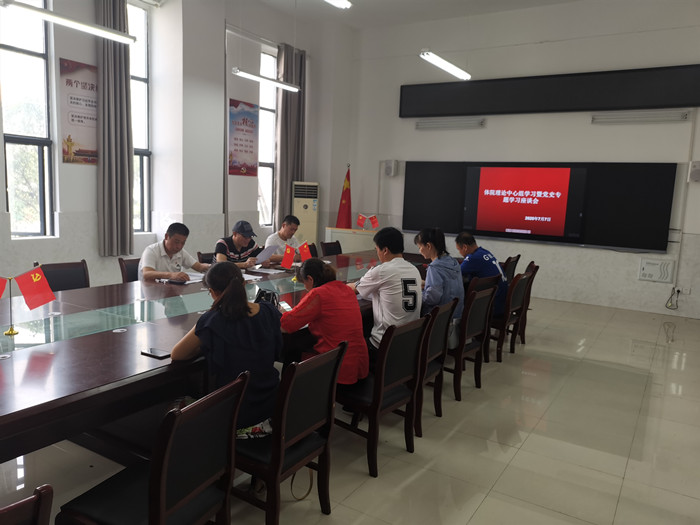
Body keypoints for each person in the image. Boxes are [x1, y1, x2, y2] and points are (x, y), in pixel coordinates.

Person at [171, 262, 282, 438]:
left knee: (178, 402)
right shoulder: (268, 311)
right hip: (271, 409)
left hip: (236, 417)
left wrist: (205, 343)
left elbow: (177, 354)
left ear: (212, 292)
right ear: (244, 284)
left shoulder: (213, 320)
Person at [280, 258, 369, 386]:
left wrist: (282, 312)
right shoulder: (345, 289)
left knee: (291, 351)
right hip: (359, 365)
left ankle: (288, 394)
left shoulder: (318, 294)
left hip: (337, 369)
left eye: (304, 283)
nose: (305, 288)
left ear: (310, 279)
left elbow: (286, 325)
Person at [348, 226, 422, 367]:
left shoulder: (382, 270)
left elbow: (353, 290)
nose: (377, 254)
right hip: (409, 342)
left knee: (347, 346)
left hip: (384, 347)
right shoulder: (413, 269)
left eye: (377, 249)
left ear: (385, 250)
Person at [414, 227, 464, 348]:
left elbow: (432, 299)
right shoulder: (453, 262)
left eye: (420, 247)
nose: (420, 251)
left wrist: (418, 294)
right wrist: (427, 284)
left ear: (429, 246)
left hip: (439, 321)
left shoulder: (435, 268)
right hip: (455, 314)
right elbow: (447, 286)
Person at [455, 231, 507, 316]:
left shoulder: (473, 258)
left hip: (491, 306)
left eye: (459, 249)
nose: (459, 253)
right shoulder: (485, 252)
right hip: (500, 301)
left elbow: (455, 273)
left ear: (464, 247)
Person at [139, 222, 210, 281]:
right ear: (166, 236)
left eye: (183, 243)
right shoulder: (151, 251)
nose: (179, 246)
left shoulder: (180, 252)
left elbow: (199, 267)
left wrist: (212, 266)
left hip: (170, 289)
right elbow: (146, 274)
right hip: (150, 290)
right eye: (176, 242)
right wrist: (171, 275)